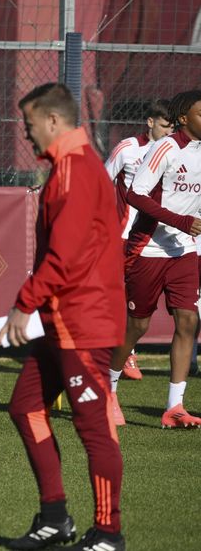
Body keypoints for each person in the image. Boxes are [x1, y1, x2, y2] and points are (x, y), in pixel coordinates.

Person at [1, 83, 125, 551]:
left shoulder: (76, 169)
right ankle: (55, 518)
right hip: (63, 319)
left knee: (94, 429)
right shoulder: (68, 167)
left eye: (29, 124)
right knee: (25, 407)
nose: (26, 133)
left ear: (53, 121)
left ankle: (109, 533)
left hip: (83, 321)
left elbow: (64, 256)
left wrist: (25, 302)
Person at [109, 89, 201, 429]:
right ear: (184, 119)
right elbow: (136, 194)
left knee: (188, 321)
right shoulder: (165, 147)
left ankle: (174, 406)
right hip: (147, 248)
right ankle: (108, 389)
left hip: (184, 249)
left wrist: (187, 226)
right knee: (138, 325)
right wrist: (181, 221)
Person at [103, 99, 173, 383]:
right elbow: (102, 181)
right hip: (124, 236)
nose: (169, 132)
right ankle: (125, 352)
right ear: (150, 122)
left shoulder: (175, 151)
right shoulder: (128, 148)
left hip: (158, 238)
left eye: (172, 127)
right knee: (117, 293)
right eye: (165, 126)